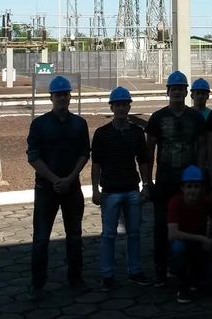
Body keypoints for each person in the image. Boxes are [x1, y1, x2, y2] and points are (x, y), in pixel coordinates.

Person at [26, 75, 91, 300]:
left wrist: (70, 178)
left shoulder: (79, 124)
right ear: (51, 97)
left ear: (70, 96)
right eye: (58, 94)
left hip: (72, 189)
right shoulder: (40, 124)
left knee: (74, 236)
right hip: (46, 190)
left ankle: (76, 278)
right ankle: (38, 283)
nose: (62, 98)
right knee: (41, 238)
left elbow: (85, 153)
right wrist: (55, 179)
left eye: (65, 94)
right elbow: (33, 157)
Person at [146, 70, 208, 287]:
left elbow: (201, 148)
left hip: (189, 183)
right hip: (164, 179)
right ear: (168, 91)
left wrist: (199, 176)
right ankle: (161, 271)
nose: (177, 92)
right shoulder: (158, 118)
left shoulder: (195, 118)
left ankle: (187, 269)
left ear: (186, 92)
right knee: (162, 227)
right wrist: (147, 182)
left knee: (191, 224)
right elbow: (149, 150)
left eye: (181, 89)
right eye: (174, 89)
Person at [91, 86, 151, 291]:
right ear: (112, 107)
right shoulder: (102, 134)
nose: (121, 108)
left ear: (129, 106)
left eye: (124, 104)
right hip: (110, 191)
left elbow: (143, 161)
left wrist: (145, 185)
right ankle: (107, 274)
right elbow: (96, 163)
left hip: (131, 189)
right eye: (117, 104)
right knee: (108, 235)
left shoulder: (137, 133)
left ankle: (134, 270)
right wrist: (95, 190)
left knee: (134, 233)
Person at [168, 165, 212, 305]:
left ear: (201, 188)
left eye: (196, 186)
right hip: (184, 240)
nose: (192, 191)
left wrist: (211, 239)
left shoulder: (206, 202)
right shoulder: (175, 202)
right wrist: (202, 238)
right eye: (189, 186)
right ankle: (182, 285)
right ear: (182, 188)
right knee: (177, 248)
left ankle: (196, 279)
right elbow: (173, 234)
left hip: (198, 243)